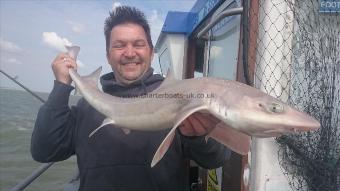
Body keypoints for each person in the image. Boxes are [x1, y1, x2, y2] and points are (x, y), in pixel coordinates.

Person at [31, 6, 228, 191]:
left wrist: (197, 136)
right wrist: (61, 87)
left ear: (151, 53)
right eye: (119, 45)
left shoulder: (179, 97)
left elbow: (215, 160)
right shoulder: (87, 107)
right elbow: (44, 151)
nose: (129, 53)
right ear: (108, 56)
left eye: (138, 44)